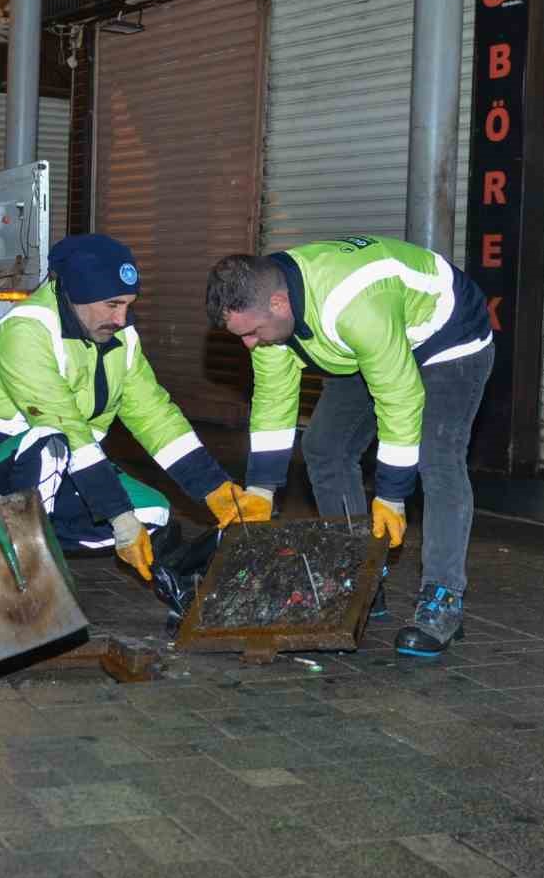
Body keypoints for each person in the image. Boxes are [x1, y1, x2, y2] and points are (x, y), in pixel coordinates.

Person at [204, 235, 494, 657]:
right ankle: (362, 576)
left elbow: (400, 397)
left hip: (448, 338)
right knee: (324, 446)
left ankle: (443, 598)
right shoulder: (268, 319)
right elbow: (272, 402)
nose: (248, 344)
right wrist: (261, 490)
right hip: (368, 347)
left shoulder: (354, 307)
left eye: (251, 333)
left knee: (437, 456)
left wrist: (392, 494)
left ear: (279, 304)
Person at [0, 233, 268, 581]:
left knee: (153, 514)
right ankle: (20, 569)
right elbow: (67, 428)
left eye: (128, 305)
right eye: (113, 305)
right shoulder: (27, 331)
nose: (122, 318)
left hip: (70, 459)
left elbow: (154, 416)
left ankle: (42, 541)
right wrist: (117, 515)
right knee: (52, 441)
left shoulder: (120, 337)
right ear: (77, 294)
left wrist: (217, 491)